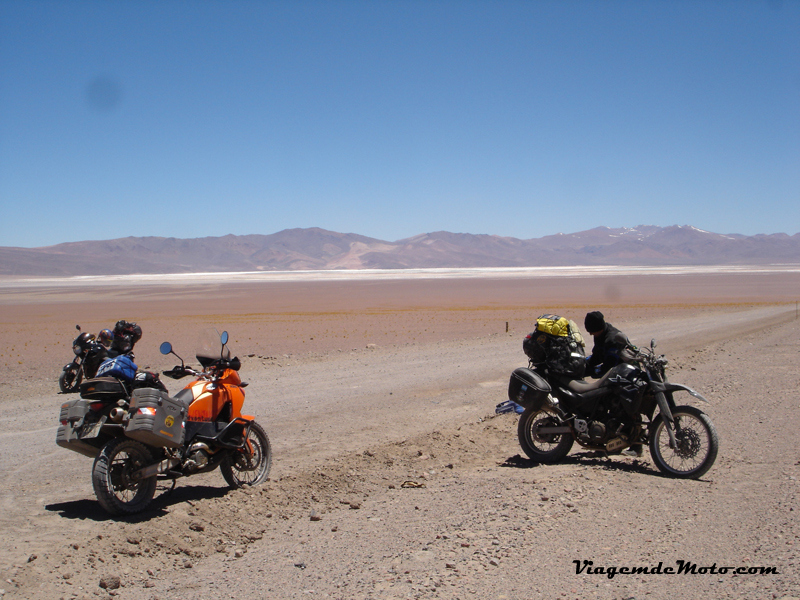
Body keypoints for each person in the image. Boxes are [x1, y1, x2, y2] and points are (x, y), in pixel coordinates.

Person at [583, 311, 642, 458]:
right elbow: (597, 356)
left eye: (592, 331)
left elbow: (608, 366)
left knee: (623, 410)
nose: (591, 335)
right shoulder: (601, 335)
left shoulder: (612, 339)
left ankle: (631, 445)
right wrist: (583, 365)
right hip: (619, 376)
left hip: (626, 377)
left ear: (598, 327)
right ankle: (610, 445)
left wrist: (591, 371)